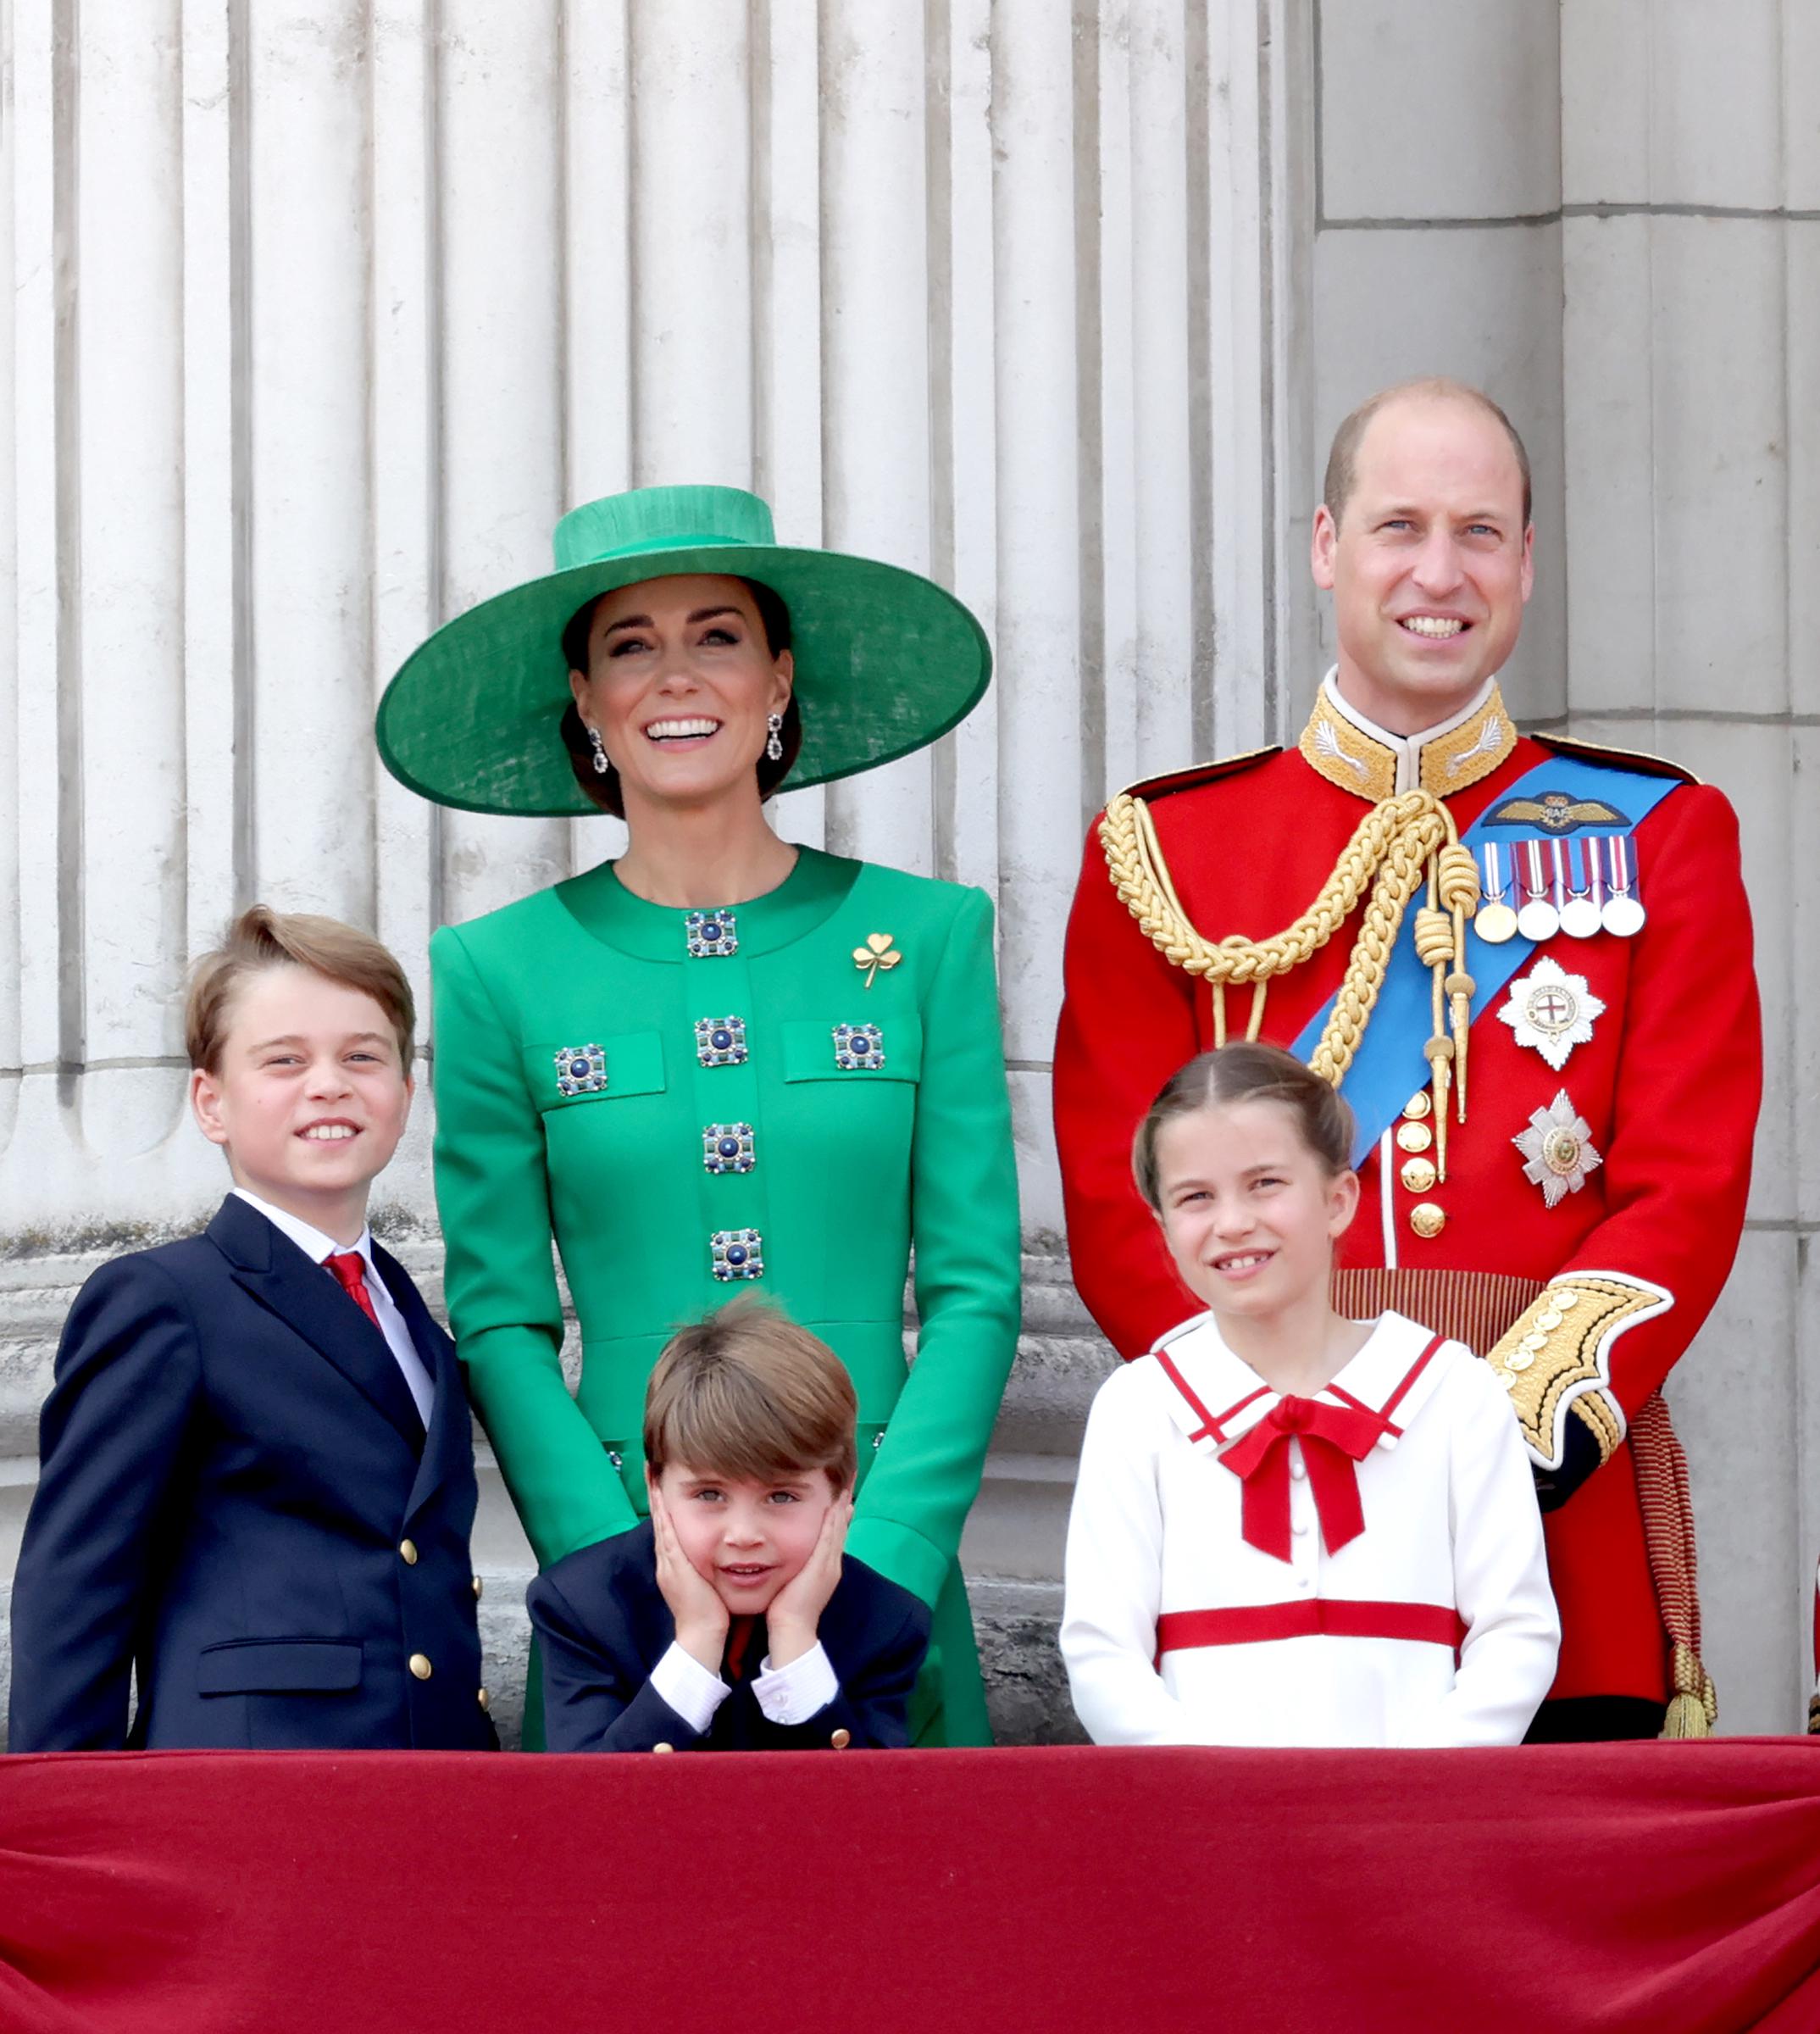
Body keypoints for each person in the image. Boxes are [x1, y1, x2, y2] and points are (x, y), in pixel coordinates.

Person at [1054, 379, 1760, 1742]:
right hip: (1252, 1518)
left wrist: (1486, 1441)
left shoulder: (1660, 833)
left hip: (1557, 1515)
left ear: (1528, 564)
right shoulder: (1162, 853)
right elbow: (1119, 1205)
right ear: (1327, 546)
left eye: (1481, 532)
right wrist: (1284, 1422)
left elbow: (1686, 1193)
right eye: (1399, 528)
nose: (1440, 574)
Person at [376, 483, 1020, 1746]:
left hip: (873, 1549)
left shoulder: (933, 937)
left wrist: (881, 1548)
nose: (679, 675)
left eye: (717, 634)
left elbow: (976, 1288)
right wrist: (620, 1568)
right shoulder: (494, 969)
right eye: (631, 644)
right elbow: (500, 1315)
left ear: (779, 676)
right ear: (586, 699)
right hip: (624, 1574)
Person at [8, 909, 496, 1752]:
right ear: (212, 1101)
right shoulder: (163, 1299)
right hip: (244, 1785)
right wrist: (61, 1838)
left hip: (433, 1784)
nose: (329, 1083)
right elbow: (77, 1587)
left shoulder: (418, 1327)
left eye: (362, 1056)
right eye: (284, 1060)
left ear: (405, 1095)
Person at [1060, 1043, 1557, 1747]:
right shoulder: (1139, 1408)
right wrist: (1208, 1790)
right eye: (1195, 1197)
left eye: (1265, 1183)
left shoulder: (1454, 1392)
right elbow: (1102, 1650)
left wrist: (1420, 1788)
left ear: (1337, 1199)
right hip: (1211, 1827)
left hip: (1420, 1821)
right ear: (1163, 1228)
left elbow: (1517, 1631)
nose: (1232, 1222)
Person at [530, 1298, 930, 1752]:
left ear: (841, 1492)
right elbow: (589, 1806)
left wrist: (796, 1635)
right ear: (656, 1486)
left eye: (781, 1496)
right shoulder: (583, 1607)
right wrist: (698, 1640)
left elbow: (870, 1810)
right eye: (709, 1495)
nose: (743, 1535)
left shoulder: (885, 1621)